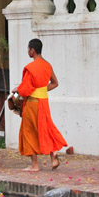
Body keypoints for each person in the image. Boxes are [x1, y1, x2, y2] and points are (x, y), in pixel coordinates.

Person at [12, 38, 67, 172]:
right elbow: (55, 83)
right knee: (45, 127)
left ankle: (34, 165)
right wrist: (41, 90)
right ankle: (53, 153)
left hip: (32, 103)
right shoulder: (47, 65)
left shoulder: (31, 68)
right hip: (43, 102)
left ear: (33, 50)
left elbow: (25, 89)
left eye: (28, 49)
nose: (27, 52)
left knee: (29, 131)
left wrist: (16, 90)